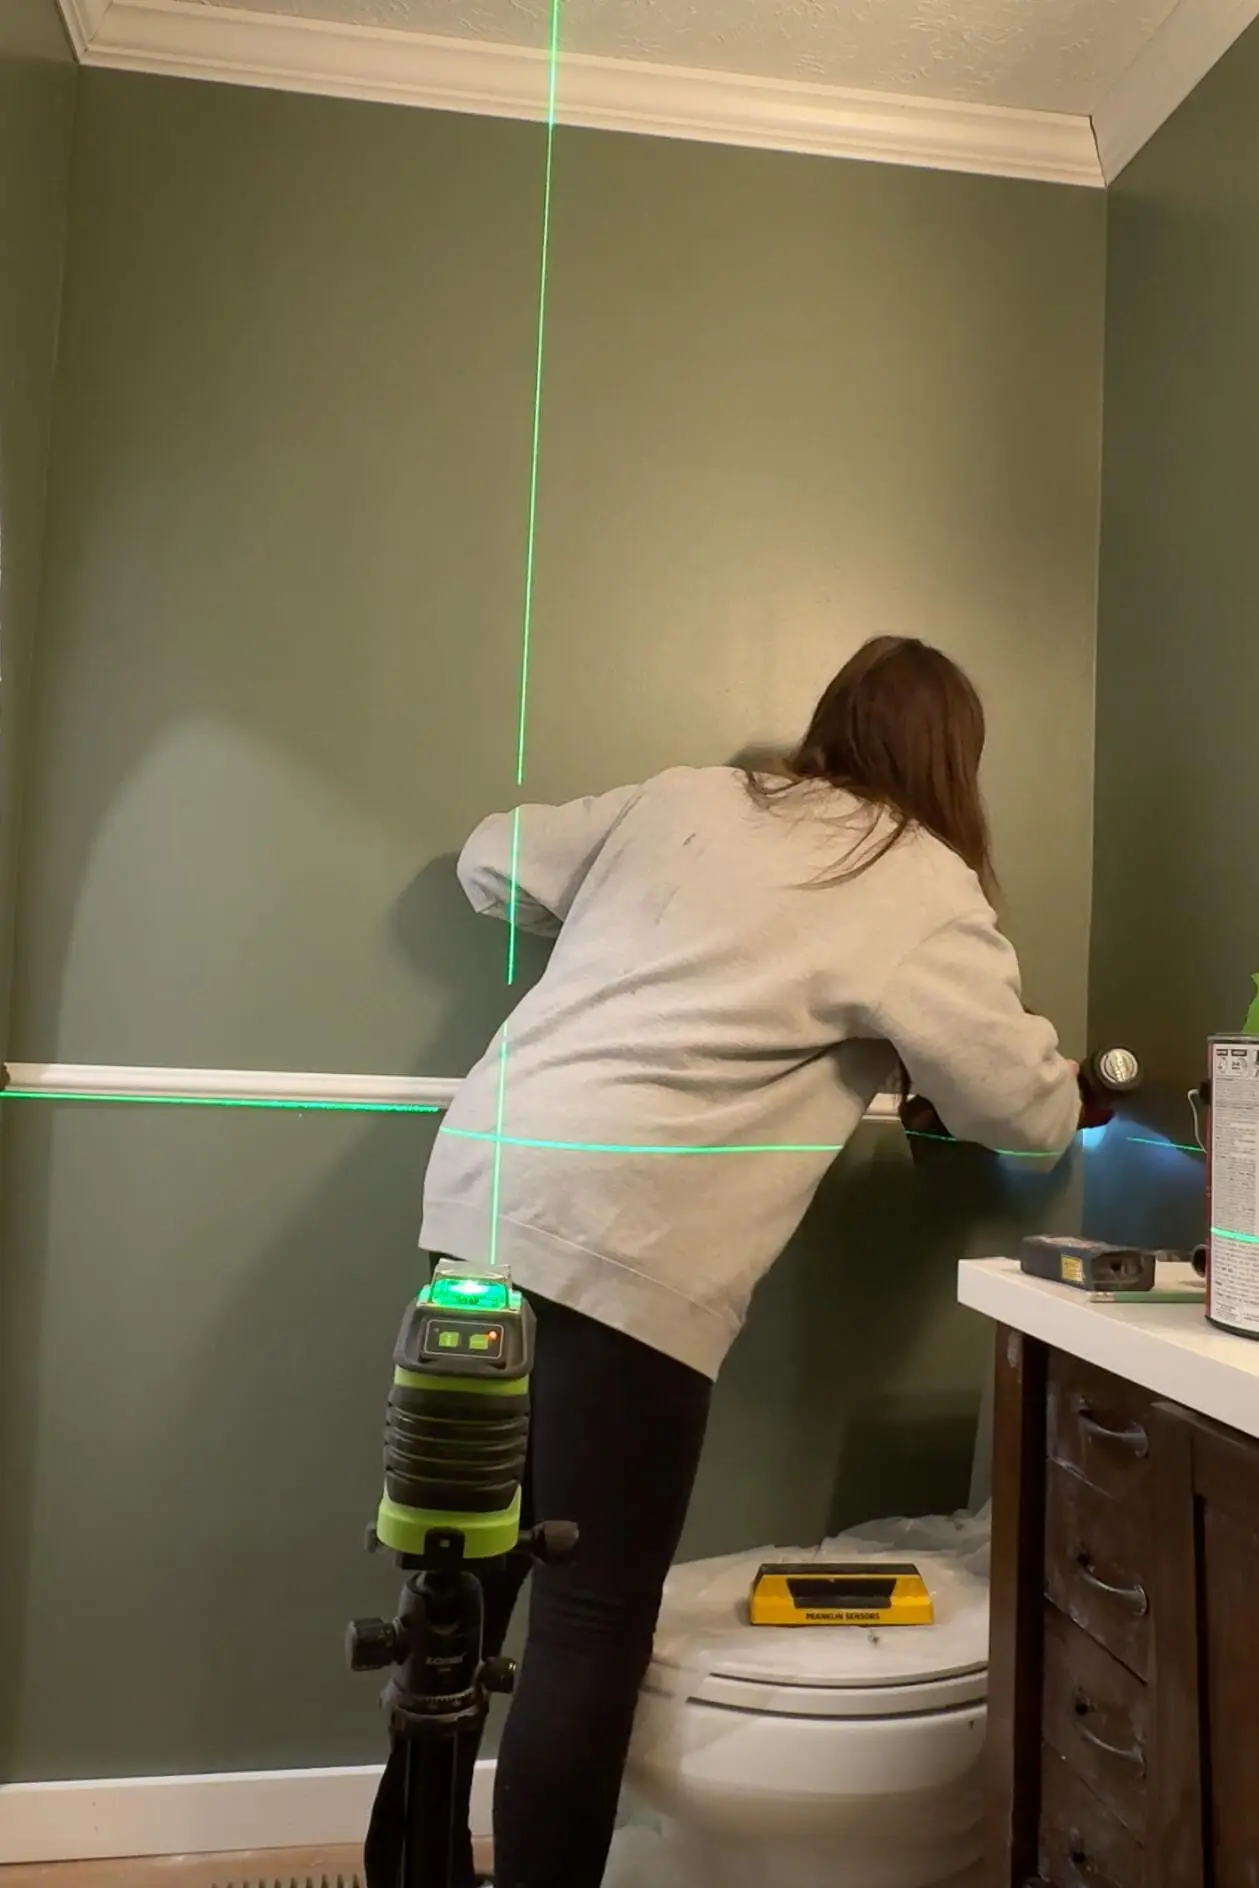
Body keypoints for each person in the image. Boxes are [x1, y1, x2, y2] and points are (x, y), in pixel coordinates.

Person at [418, 635, 1082, 1888]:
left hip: (487, 1187)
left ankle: (414, 1864)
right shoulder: (916, 879)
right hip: (624, 1238)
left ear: (829, 723)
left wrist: (617, 919)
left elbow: (489, 854)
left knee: (456, 1591)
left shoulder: (683, 797)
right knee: (589, 1612)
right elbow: (1026, 1109)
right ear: (952, 763)